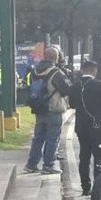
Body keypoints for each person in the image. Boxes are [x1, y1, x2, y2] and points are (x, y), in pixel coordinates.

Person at [24, 46, 72, 174]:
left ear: (44, 56)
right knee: (52, 138)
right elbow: (66, 90)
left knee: (38, 137)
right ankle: (48, 165)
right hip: (53, 109)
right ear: (56, 58)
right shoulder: (56, 72)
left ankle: (31, 164)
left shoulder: (34, 71)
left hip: (39, 108)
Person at [69, 60, 101, 195]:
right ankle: (98, 188)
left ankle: (85, 187)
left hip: (81, 127)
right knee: (100, 158)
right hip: (97, 126)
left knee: (84, 157)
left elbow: (72, 105)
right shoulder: (99, 85)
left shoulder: (75, 86)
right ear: (94, 71)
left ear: (82, 70)